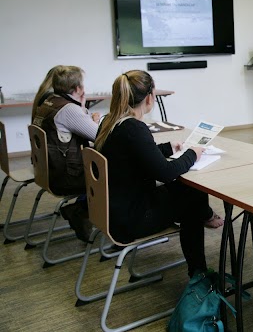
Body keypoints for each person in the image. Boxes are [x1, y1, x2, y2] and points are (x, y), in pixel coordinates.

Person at [94, 70, 223, 277]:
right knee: (191, 195)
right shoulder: (134, 128)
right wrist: (192, 153)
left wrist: (167, 148)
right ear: (150, 97)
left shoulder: (110, 122)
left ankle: (204, 216)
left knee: (185, 191)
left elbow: (137, 154)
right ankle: (198, 272)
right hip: (133, 219)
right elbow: (165, 173)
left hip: (113, 210)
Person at [32, 65, 101, 241]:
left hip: (48, 172)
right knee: (117, 174)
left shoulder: (48, 102)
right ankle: (79, 211)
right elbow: (98, 136)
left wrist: (82, 108)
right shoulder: (68, 109)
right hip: (66, 177)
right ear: (78, 88)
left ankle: (80, 209)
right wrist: (90, 116)